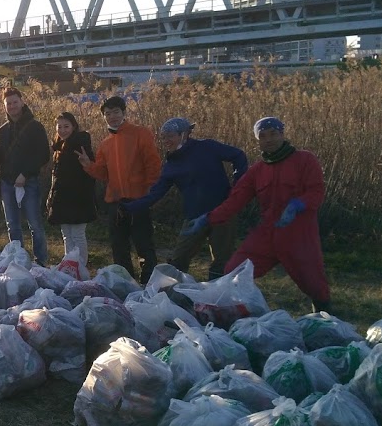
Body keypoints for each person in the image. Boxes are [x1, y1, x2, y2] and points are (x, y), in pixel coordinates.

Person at [188, 117, 331, 312]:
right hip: (268, 234)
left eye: (273, 133)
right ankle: (237, 314)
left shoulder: (305, 160)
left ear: (282, 134)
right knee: (235, 270)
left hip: (300, 234)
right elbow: (235, 201)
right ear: (258, 141)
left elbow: (316, 191)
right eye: (263, 136)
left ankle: (325, 318)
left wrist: (298, 204)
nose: (269, 139)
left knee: (314, 283)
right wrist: (208, 218)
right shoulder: (257, 171)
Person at [120, 117, 249, 279]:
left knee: (222, 261)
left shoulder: (207, 147)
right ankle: (173, 295)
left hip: (223, 211)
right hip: (194, 217)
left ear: (184, 134)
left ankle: (214, 298)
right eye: (164, 137)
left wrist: (238, 187)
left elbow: (239, 156)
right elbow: (155, 194)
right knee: (178, 259)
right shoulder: (171, 165)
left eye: (170, 136)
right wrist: (129, 207)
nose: (166, 141)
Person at [79, 96, 162, 284]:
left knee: (144, 244)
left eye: (116, 112)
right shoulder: (106, 143)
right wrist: (88, 165)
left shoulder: (141, 133)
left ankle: (149, 283)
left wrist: (151, 192)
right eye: (107, 114)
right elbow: (103, 173)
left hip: (139, 199)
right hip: (115, 202)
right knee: (118, 246)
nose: (112, 117)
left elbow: (152, 163)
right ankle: (126, 283)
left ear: (124, 112)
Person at [0, 87, 51, 265]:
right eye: (9, 103)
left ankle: (40, 262)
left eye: (15, 102)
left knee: (35, 225)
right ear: (4, 106)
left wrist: (25, 174)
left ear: (22, 102)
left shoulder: (35, 127)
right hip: (7, 183)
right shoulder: (2, 130)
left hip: (28, 182)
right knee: (12, 225)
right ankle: (18, 261)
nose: (12, 106)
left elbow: (43, 154)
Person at [46, 111, 97, 262]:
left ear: (74, 127)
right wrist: (51, 196)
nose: (62, 130)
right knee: (67, 234)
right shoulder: (59, 148)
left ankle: (80, 266)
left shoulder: (80, 145)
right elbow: (56, 176)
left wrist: (87, 163)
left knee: (78, 235)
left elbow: (91, 171)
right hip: (62, 198)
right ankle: (70, 264)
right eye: (59, 127)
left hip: (79, 198)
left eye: (66, 126)